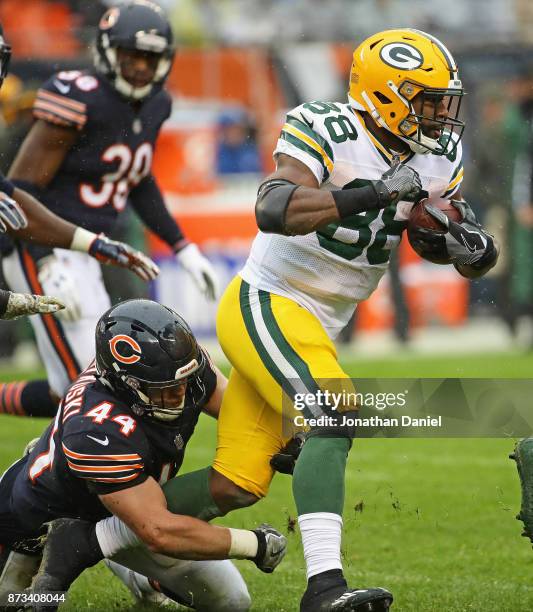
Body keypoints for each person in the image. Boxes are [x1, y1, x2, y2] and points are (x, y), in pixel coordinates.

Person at [22, 29, 500, 612]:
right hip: (268, 300)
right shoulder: (328, 127)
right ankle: (325, 589)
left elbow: (420, 233)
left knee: (236, 484)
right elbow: (272, 208)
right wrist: (375, 190)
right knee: (333, 411)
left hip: (319, 322)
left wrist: (462, 246)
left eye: (442, 102)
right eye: (426, 101)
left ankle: (86, 537)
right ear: (386, 97)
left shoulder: (435, 155)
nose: (439, 116)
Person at [0, 0, 220, 418]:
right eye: (131, 56)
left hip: (93, 247)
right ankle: (55, 472)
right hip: (42, 242)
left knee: (89, 378)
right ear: (106, 52)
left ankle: (51, 464)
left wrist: (182, 247)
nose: (140, 67)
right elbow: (20, 192)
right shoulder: (79, 97)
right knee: (86, 382)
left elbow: (136, 177)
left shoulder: (156, 104)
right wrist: (47, 262)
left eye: (150, 58)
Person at [0, 299, 286, 611]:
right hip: (35, 522)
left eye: (183, 381)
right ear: (125, 385)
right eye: (164, 388)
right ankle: (73, 553)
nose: (180, 393)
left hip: (125, 508)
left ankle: (127, 566)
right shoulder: (97, 430)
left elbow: (241, 414)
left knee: (231, 600)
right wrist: (254, 545)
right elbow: (159, 531)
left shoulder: (182, 369)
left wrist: (288, 437)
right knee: (18, 604)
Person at [0, 21, 159, 322]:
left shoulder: (149, 108)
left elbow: (14, 201)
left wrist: (95, 244)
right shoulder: (70, 106)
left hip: (83, 239)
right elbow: (21, 192)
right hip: (37, 249)